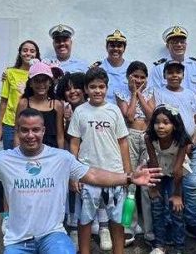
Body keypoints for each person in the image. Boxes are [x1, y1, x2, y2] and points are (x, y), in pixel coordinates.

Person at [0, 107, 161, 254]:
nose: (30, 135)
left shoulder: (61, 158)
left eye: (36, 130)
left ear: (43, 131)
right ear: (17, 132)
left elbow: (92, 174)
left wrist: (128, 177)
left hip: (52, 236)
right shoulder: (4, 160)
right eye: (24, 130)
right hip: (18, 241)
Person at [68, 67, 130, 254]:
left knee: (117, 222)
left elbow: (123, 142)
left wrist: (128, 174)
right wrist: (74, 175)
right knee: (85, 220)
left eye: (101, 87)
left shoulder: (114, 110)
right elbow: (74, 144)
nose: (97, 91)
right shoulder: (80, 111)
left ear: (106, 88)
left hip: (115, 174)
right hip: (88, 175)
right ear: (86, 89)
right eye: (93, 87)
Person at [149, 60, 196, 239]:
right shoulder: (158, 93)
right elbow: (156, 118)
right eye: (170, 72)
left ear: (183, 75)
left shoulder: (190, 94)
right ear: (164, 75)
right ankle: (170, 225)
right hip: (169, 149)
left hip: (191, 146)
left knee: (191, 185)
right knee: (169, 185)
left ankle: (192, 222)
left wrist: (192, 142)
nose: (174, 75)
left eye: (178, 72)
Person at [115, 60, 154, 242]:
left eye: (142, 77)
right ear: (128, 76)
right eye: (135, 76)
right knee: (130, 181)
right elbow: (129, 116)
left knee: (147, 183)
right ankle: (130, 226)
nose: (138, 80)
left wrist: (140, 94)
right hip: (129, 135)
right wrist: (133, 94)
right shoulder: (120, 92)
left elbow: (151, 115)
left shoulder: (151, 92)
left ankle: (149, 228)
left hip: (146, 136)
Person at [143, 106, 190, 254]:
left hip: (176, 172)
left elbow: (177, 170)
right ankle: (159, 245)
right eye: (157, 122)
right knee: (157, 206)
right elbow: (153, 164)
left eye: (166, 122)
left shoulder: (181, 140)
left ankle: (179, 247)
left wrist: (177, 195)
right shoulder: (149, 137)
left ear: (174, 125)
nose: (160, 126)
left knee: (176, 209)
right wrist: (153, 188)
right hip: (158, 168)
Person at [56, 72, 87, 245]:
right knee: (73, 189)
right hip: (72, 154)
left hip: (91, 156)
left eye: (77, 87)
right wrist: (66, 120)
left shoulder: (91, 106)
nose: (73, 92)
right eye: (68, 89)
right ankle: (73, 226)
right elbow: (66, 137)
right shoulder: (63, 109)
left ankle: (102, 226)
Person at [0, 40, 40, 149]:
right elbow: (4, 102)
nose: (28, 53)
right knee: (11, 157)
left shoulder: (40, 74)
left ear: (36, 54)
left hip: (33, 124)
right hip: (11, 125)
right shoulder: (10, 73)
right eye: (25, 50)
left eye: (32, 51)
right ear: (20, 53)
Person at [148, 25, 196, 103]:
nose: (179, 45)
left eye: (182, 42)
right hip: (168, 109)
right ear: (167, 46)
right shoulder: (158, 68)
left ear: (186, 44)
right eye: (175, 42)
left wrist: (193, 109)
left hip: (195, 108)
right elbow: (154, 94)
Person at [15, 61, 64, 149]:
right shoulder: (24, 103)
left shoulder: (57, 105)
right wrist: (17, 154)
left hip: (51, 152)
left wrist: (61, 155)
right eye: (37, 81)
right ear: (30, 83)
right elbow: (17, 132)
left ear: (50, 83)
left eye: (44, 80)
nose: (41, 84)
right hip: (28, 151)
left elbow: (60, 136)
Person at [90, 30, 130, 103]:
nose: (115, 49)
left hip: (126, 108)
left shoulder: (131, 69)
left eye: (119, 46)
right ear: (106, 47)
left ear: (124, 49)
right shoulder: (97, 68)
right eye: (112, 46)